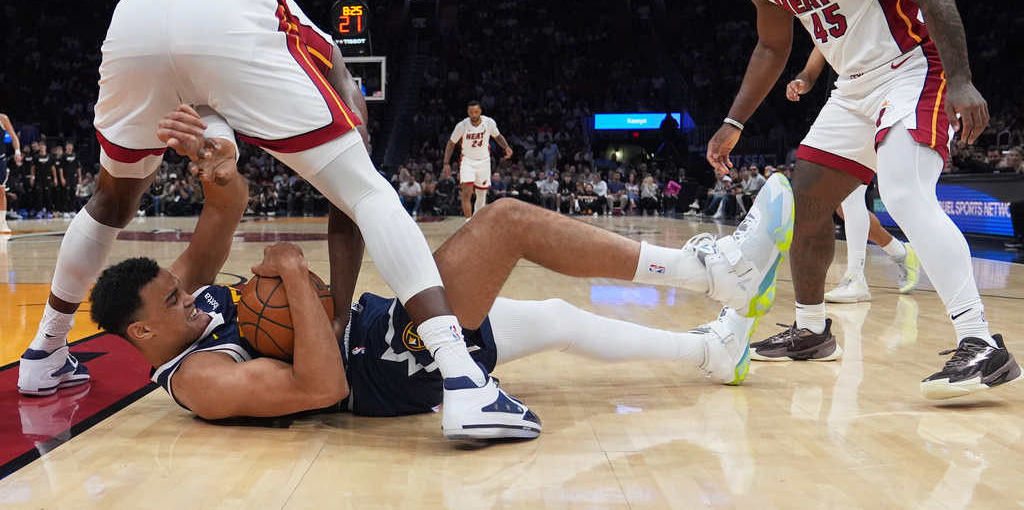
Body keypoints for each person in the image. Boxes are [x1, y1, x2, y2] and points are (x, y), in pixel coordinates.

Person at [16, 0, 537, 441]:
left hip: (131, 18)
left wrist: (224, 150)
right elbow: (251, 81)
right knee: (366, 189)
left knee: (111, 200)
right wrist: (354, 122)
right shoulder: (316, 41)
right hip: (228, 20)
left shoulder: (224, 0)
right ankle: (463, 376)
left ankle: (44, 352)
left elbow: (210, 104)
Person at [87, 153, 797, 424]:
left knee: (555, 316)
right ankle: (712, 271)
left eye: (179, 289)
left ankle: (711, 354)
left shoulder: (177, 307)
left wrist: (214, 162)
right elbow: (320, 389)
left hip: (388, 330)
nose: (188, 294)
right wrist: (298, 277)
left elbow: (224, 209)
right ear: (143, 333)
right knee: (505, 223)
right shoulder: (201, 379)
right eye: (173, 301)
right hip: (383, 367)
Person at [708, 0, 1018, 399]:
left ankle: (982, 344)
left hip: (912, 66)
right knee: (809, 199)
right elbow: (772, 48)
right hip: (852, 88)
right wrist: (733, 122)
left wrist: (964, 80)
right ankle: (810, 330)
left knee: (903, 194)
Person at [786, 47, 922, 303]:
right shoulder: (827, 20)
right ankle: (900, 252)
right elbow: (816, 58)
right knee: (841, 208)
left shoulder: (874, 15)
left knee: (851, 198)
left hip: (886, 94)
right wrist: (803, 79)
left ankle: (856, 278)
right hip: (845, 99)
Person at [443, 101, 513, 221]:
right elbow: (451, 143)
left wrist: (506, 147)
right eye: (471, 112)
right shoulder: (462, 125)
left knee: (481, 195)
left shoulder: (489, 122)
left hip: (484, 161)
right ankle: (468, 222)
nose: (474, 115)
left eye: (476, 112)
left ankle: (476, 221)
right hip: (467, 161)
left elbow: (497, 136)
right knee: (466, 192)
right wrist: (446, 163)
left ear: (480, 111)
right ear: (468, 112)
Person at [1, 112, 23, 234]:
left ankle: (2, 223)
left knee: (1, 190)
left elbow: (13, 136)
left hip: (0, 158)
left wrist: (17, 151)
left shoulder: (3, 118)